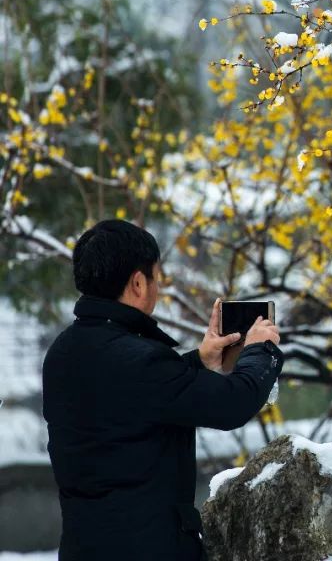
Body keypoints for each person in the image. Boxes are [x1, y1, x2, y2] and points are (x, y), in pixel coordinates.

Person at [42, 219, 285, 560]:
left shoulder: (64, 351)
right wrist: (261, 349)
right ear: (138, 283)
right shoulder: (138, 359)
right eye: (157, 276)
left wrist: (200, 362)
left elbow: (132, 400)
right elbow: (233, 404)